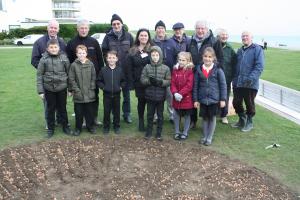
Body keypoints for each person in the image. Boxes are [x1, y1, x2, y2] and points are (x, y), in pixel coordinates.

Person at [66, 19, 104, 127]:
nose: (83, 30)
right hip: (78, 78)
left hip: (93, 77)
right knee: (79, 99)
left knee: (94, 98)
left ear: (88, 29)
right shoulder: (71, 43)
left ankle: (94, 118)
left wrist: (100, 76)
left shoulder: (94, 42)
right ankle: (81, 120)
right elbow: (68, 62)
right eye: (81, 28)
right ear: (77, 29)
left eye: (86, 28)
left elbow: (100, 60)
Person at [188, 20, 224, 129]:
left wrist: (214, 70)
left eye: (202, 28)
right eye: (198, 28)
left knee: (207, 99)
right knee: (193, 97)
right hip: (193, 73)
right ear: (195, 29)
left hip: (208, 74)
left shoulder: (214, 41)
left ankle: (209, 123)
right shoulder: (190, 41)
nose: (200, 31)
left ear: (206, 29)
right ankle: (192, 121)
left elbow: (220, 59)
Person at [31, 19, 66, 129]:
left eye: (55, 28)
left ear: (58, 29)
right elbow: (34, 59)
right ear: (47, 28)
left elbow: (65, 59)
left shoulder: (62, 41)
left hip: (60, 80)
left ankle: (61, 120)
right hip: (48, 80)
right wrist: (46, 69)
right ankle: (49, 123)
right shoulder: (39, 42)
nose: (53, 30)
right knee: (48, 104)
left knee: (61, 104)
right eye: (51, 27)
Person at [36, 39, 72, 138]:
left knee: (62, 108)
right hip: (49, 88)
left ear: (59, 48)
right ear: (47, 48)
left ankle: (65, 126)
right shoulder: (43, 59)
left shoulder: (64, 58)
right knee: (50, 109)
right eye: (51, 47)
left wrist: (70, 88)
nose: (53, 49)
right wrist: (40, 91)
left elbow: (69, 74)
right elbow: (39, 75)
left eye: (55, 47)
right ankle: (51, 129)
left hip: (62, 87)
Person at [102, 14, 134, 124]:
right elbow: (104, 52)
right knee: (112, 95)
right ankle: (112, 115)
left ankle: (127, 114)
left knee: (126, 95)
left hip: (125, 70)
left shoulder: (129, 36)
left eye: (118, 23)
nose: (116, 26)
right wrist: (110, 63)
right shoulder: (108, 37)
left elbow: (133, 51)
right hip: (113, 70)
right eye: (114, 24)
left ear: (122, 24)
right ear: (112, 25)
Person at [193, 47, 227, 146]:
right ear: (202, 57)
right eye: (205, 56)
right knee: (204, 118)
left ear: (213, 58)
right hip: (202, 99)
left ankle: (209, 137)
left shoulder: (218, 70)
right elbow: (195, 86)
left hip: (214, 99)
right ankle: (204, 136)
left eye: (210, 57)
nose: (207, 59)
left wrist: (223, 99)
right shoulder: (199, 69)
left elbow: (223, 85)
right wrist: (195, 99)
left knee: (212, 118)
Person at [231, 31, 264, 132]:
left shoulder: (257, 49)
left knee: (249, 103)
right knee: (236, 102)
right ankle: (242, 119)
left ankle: (249, 122)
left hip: (250, 83)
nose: (244, 38)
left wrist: (251, 79)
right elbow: (236, 65)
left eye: (246, 36)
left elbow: (259, 66)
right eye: (243, 36)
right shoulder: (240, 50)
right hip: (238, 82)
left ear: (251, 38)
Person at [141, 46, 171, 141]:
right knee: (150, 115)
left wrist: (161, 82)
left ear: (160, 56)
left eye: (157, 55)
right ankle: (149, 132)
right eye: (153, 55)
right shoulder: (147, 67)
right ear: (150, 56)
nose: (155, 57)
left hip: (161, 97)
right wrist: (150, 81)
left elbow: (169, 80)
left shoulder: (165, 68)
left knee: (160, 116)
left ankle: (159, 133)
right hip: (149, 96)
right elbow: (142, 79)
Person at [126, 28, 153, 132]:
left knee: (150, 102)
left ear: (148, 37)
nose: (143, 37)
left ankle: (150, 122)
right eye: (141, 35)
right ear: (138, 37)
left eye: (145, 35)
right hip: (139, 82)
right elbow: (129, 68)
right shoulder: (132, 50)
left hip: (151, 81)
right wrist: (131, 83)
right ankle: (141, 121)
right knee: (141, 102)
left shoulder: (152, 49)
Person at [68, 45, 97, 136]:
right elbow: (71, 79)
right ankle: (78, 128)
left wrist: (92, 87)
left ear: (86, 53)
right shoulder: (73, 65)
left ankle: (90, 127)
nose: (81, 55)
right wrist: (76, 90)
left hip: (89, 93)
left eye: (83, 53)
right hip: (78, 94)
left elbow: (93, 76)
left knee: (90, 112)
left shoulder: (90, 64)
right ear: (76, 54)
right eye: (79, 53)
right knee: (79, 113)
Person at [153, 20, 177, 123]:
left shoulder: (171, 42)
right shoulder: (152, 42)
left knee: (170, 97)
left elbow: (177, 55)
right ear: (155, 30)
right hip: (155, 74)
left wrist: (176, 65)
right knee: (155, 96)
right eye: (158, 28)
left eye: (162, 28)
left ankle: (172, 115)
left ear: (165, 30)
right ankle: (155, 116)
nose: (160, 30)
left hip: (169, 75)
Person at [97, 50, 126, 134]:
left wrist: (120, 87)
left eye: (113, 58)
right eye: (109, 58)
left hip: (117, 95)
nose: (111, 59)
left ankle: (116, 126)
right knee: (107, 111)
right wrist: (104, 87)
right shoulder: (103, 70)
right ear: (107, 59)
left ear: (116, 59)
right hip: (107, 95)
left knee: (117, 112)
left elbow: (124, 81)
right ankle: (106, 127)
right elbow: (99, 81)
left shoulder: (120, 70)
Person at [170, 52, 194, 140]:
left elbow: (189, 85)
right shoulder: (175, 70)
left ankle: (185, 132)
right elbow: (172, 83)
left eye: (183, 60)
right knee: (176, 114)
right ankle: (177, 131)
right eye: (179, 60)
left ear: (188, 61)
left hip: (186, 98)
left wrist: (181, 93)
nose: (181, 62)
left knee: (187, 115)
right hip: (176, 97)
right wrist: (175, 93)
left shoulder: (189, 71)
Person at [216, 28, 237, 124]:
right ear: (218, 36)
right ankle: (215, 113)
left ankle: (224, 115)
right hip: (215, 77)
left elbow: (234, 64)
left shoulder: (230, 49)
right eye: (222, 35)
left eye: (225, 35)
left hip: (226, 78)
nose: (224, 36)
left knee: (225, 97)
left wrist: (232, 77)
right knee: (215, 95)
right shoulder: (214, 46)